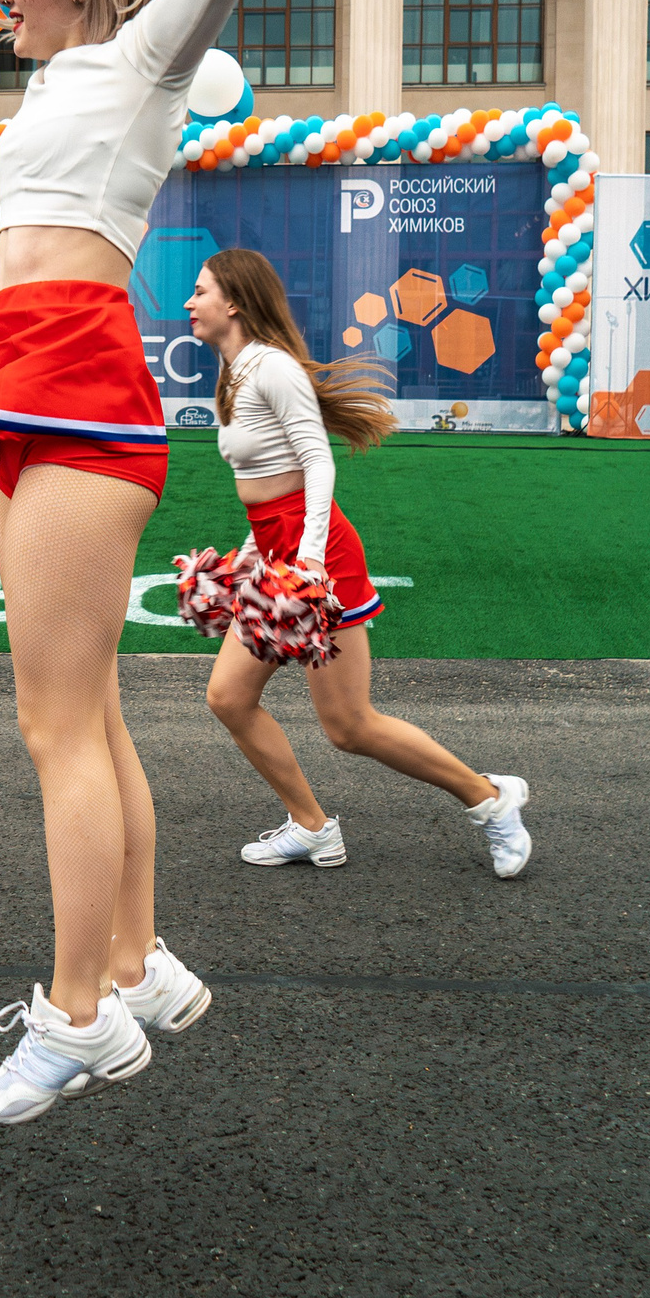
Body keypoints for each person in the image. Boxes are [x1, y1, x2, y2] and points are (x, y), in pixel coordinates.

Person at [0, 0, 447, 1126]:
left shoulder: (144, 57)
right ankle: (136, 965)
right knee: (86, 716)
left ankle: (77, 1015)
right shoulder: (64, 82)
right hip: (46, 395)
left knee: (55, 731)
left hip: (83, 405)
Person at [185, 250, 532, 875]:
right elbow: (270, 490)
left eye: (200, 290)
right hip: (279, 551)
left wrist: (309, 562)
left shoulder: (272, 367)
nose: (190, 302)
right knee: (229, 698)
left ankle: (490, 799)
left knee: (349, 726)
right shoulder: (235, 371)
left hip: (322, 559)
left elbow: (317, 464)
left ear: (233, 301)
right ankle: (312, 827)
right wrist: (247, 561)